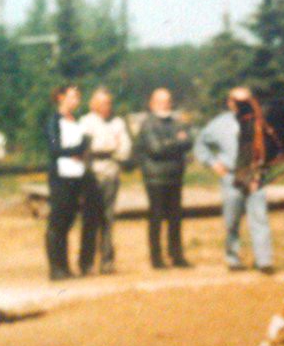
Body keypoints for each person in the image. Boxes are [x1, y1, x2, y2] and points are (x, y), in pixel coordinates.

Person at [194, 87, 274, 274]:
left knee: (260, 219)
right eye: (236, 100)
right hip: (231, 177)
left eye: (246, 100)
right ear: (229, 102)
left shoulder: (260, 122)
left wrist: (262, 170)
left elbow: (271, 148)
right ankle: (233, 258)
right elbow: (200, 144)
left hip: (255, 177)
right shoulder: (219, 124)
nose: (240, 104)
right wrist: (212, 162)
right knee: (231, 221)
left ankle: (264, 261)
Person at [135, 88, 194, 269]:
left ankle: (176, 255)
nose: (165, 104)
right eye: (160, 101)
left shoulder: (176, 122)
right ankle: (156, 258)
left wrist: (170, 143)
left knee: (175, 218)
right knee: (157, 218)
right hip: (155, 178)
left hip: (175, 176)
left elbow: (189, 141)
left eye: (167, 101)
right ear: (152, 104)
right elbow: (156, 150)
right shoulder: (147, 124)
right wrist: (177, 142)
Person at [79, 87, 132, 275]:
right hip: (92, 176)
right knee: (90, 220)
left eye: (108, 103)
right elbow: (86, 149)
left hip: (111, 175)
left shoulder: (117, 122)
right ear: (92, 104)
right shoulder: (85, 122)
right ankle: (86, 263)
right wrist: (110, 146)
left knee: (108, 220)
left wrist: (108, 148)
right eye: (101, 103)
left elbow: (125, 149)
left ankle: (107, 262)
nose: (105, 106)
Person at [44, 84, 95, 280]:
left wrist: (80, 150)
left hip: (77, 176)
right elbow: (55, 149)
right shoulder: (54, 121)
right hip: (61, 177)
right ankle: (55, 268)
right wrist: (77, 150)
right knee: (57, 222)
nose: (76, 101)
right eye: (73, 96)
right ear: (60, 97)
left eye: (78, 97)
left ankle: (65, 267)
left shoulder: (76, 121)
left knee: (68, 222)